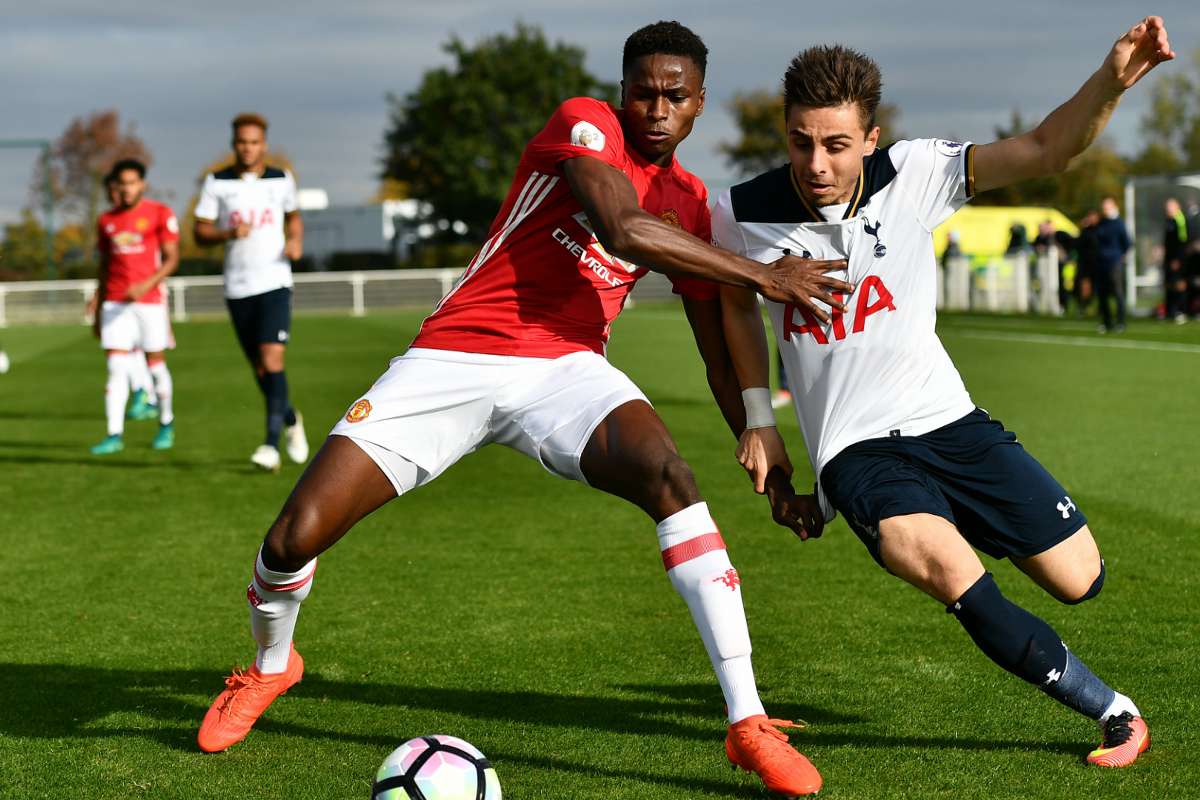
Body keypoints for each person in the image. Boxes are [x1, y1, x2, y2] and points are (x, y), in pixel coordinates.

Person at [195, 21, 849, 796]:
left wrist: (767, 462)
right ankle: (272, 667)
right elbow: (622, 227)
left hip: (566, 370)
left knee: (669, 475)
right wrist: (767, 276)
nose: (658, 108)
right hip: (455, 358)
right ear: (621, 92)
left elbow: (714, 342)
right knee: (291, 538)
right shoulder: (584, 124)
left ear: (700, 103)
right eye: (644, 91)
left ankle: (748, 723)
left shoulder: (691, 203)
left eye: (676, 95)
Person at [715, 17, 1171, 770]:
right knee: (941, 567)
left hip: (949, 421)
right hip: (855, 452)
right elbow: (734, 303)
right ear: (785, 131)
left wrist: (1112, 80)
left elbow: (1047, 149)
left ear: (870, 136)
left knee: (1078, 578)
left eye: (835, 144)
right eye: (801, 142)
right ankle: (1115, 713)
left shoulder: (918, 172)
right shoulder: (742, 212)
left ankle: (958, 507)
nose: (816, 163)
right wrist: (761, 419)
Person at [193, 112, 308, 472]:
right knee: (261, 369)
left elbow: (294, 216)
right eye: (242, 142)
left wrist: (296, 240)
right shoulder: (217, 183)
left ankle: (269, 446)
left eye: (254, 142)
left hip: (274, 282)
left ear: (264, 145)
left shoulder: (280, 179)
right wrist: (228, 233)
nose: (248, 148)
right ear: (234, 145)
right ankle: (290, 418)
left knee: (272, 358)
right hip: (237, 286)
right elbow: (199, 232)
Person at [90, 159, 179, 455]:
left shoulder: (159, 214)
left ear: (142, 184)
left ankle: (166, 423)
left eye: (132, 182)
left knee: (155, 366)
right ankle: (113, 434)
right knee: (116, 367)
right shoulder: (106, 221)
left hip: (149, 302)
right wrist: (99, 300)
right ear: (115, 186)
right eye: (121, 184)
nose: (126, 189)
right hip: (115, 303)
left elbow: (171, 259)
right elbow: (104, 264)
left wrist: (146, 284)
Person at [1093, 196, 1131, 333]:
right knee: (1102, 294)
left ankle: (1121, 321)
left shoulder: (1119, 223)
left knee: (1117, 292)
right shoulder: (1101, 223)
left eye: (1107, 206)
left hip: (1114, 262)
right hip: (1101, 263)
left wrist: (1118, 255)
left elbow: (1127, 243)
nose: (1105, 209)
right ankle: (1107, 321)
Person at [1163, 197, 1190, 323]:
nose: (1168, 209)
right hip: (1169, 259)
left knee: (1179, 285)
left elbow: (1182, 241)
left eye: (1170, 206)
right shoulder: (1169, 220)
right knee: (1169, 285)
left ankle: (1181, 311)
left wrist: (1178, 259)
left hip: (1178, 259)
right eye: (1167, 206)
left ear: (1177, 207)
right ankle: (1170, 312)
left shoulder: (1180, 220)